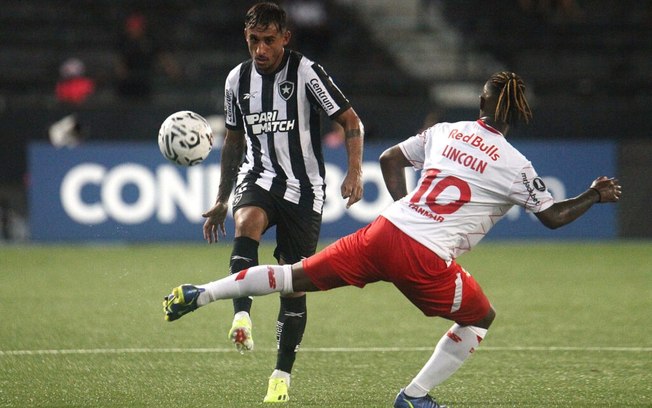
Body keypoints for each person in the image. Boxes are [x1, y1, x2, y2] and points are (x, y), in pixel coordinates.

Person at [163, 71, 621, 407]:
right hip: (425, 259)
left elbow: (388, 159)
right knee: (480, 317)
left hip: (385, 232)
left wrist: (406, 210)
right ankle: (414, 397)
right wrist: (595, 194)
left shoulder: (446, 131)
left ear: (480, 101)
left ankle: (201, 293)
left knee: (291, 276)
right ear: (520, 113)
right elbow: (555, 217)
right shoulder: (516, 164)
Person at [178, 2, 364, 404]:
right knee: (247, 224)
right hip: (259, 176)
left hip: (305, 188)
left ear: (285, 38)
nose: (259, 50)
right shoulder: (236, 81)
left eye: (267, 41)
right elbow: (233, 140)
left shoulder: (306, 72)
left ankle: (280, 374)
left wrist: (355, 171)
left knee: (293, 284)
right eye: (252, 41)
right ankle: (241, 316)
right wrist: (221, 199)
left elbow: (350, 120)